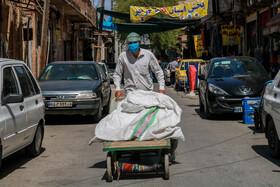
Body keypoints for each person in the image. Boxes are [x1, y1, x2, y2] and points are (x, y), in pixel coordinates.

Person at [113, 32, 165, 101]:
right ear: (128, 44)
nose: (133, 44)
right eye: (130, 43)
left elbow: (158, 71)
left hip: (147, 93)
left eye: (135, 42)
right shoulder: (123, 56)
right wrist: (117, 89)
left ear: (139, 43)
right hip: (130, 93)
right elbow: (117, 74)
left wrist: (161, 88)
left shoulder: (148, 55)